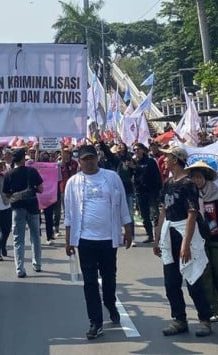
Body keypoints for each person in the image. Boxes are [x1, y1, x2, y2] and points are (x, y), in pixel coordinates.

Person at [64, 144, 133, 340]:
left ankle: (110, 303)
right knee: (90, 282)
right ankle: (95, 321)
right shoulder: (73, 183)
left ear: (97, 158)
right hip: (85, 239)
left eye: (91, 158)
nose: (89, 162)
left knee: (109, 277)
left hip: (108, 238)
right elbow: (69, 214)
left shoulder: (111, 178)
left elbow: (122, 205)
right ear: (79, 161)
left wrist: (127, 229)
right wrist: (68, 240)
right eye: (85, 159)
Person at [153, 154, 214, 338]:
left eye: (167, 158)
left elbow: (192, 213)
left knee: (193, 279)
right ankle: (179, 319)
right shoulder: (168, 183)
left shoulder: (188, 184)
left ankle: (204, 319)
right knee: (171, 282)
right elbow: (163, 210)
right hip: (169, 233)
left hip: (185, 232)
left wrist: (186, 244)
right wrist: (158, 239)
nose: (164, 161)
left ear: (176, 160)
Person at [188, 158, 218, 320]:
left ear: (205, 178)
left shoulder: (216, 194)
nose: (197, 180)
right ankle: (212, 309)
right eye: (194, 177)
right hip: (198, 240)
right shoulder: (190, 195)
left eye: (199, 177)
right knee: (205, 274)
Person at [2, 148, 43, 278]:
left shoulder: (8, 174)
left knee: (18, 238)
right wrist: (33, 189)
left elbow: (6, 193)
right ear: (23, 159)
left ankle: (19, 268)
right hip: (32, 207)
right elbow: (41, 189)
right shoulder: (32, 171)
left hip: (17, 208)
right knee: (35, 236)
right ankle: (37, 264)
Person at [129, 142, 162, 243]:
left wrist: (159, 191)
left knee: (155, 214)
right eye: (134, 150)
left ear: (143, 150)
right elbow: (131, 176)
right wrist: (130, 168)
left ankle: (158, 235)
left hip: (151, 192)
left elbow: (153, 174)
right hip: (140, 192)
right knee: (144, 215)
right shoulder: (133, 162)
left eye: (138, 149)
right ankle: (150, 235)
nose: (136, 151)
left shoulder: (150, 161)